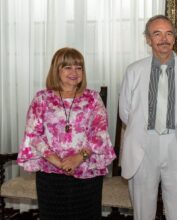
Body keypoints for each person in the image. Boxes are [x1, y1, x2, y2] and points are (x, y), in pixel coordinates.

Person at [119, 15, 177, 220]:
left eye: (168, 33)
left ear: (174, 38)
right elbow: (125, 112)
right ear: (148, 39)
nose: (164, 39)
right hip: (143, 144)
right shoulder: (133, 70)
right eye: (157, 34)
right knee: (142, 210)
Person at [17, 47, 116, 219]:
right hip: (50, 173)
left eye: (79, 67)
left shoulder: (93, 98)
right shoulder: (42, 98)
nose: (74, 72)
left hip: (87, 171)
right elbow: (33, 135)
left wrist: (78, 158)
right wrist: (59, 162)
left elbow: (99, 133)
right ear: (57, 70)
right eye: (68, 67)